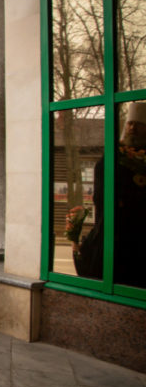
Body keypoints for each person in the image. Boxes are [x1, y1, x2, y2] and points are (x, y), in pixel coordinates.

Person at [76, 102, 146, 288]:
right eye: (130, 123)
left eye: (138, 124)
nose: (132, 128)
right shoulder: (116, 156)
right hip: (116, 231)